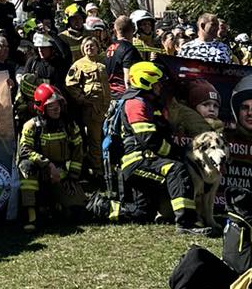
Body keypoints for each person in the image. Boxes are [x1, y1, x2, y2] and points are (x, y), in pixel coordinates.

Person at [110, 61, 203, 232]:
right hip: (138, 162)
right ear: (145, 82)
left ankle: (100, 208)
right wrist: (175, 153)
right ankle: (186, 223)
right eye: (157, 83)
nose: (161, 86)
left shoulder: (149, 103)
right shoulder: (136, 104)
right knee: (177, 169)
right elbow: (149, 138)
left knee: (142, 213)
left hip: (146, 160)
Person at [16, 83, 85, 228]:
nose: (56, 109)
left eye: (58, 104)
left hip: (60, 173)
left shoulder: (69, 125)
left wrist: (73, 177)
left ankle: (54, 207)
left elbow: (78, 151)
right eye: (51, 106)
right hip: (39, 171)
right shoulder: (31, 126)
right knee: (26, 167)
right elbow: (24, 150)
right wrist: (47, 164)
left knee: (77, 213)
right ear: (41, 107)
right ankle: (31, 215)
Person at [66, 34, 109, 177]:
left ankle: (109, 166)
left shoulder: (104, 62)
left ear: (98, 47)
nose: (90, 48)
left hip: (107, 107)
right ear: (83, 49)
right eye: (87, 46)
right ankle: (98, 171)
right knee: (95, 140)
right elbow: (70, 84)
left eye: (92, 45)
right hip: (92, 109)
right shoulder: (79, 65)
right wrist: (81, 98)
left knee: (108, 137)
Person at [104, 15, 140, 96]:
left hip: (109, 94)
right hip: (123, 94)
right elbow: (128, 79)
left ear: (115, 31)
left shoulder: (109, 48)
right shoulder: (129, 49)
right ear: (133, 30)